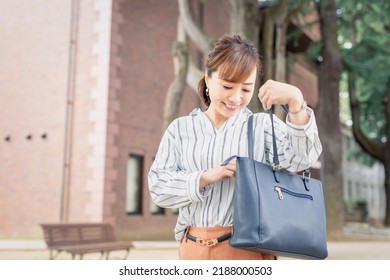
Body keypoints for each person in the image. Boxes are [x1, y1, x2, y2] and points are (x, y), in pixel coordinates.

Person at [148, 34, 322, 260]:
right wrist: (205, 177)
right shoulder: (180, 129)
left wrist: (297, 104)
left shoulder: (260, 126)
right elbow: (158, 188)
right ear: (208, 79)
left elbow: (303, 158)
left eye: (246, 89)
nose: (236, 98)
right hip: (192, 248)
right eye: (228, 86)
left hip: (247, 249)